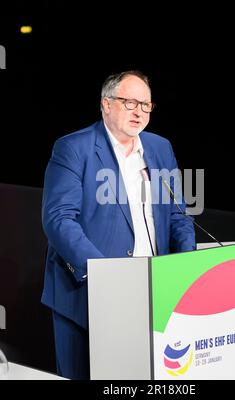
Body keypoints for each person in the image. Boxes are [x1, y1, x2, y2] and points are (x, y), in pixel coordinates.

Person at [41, 70, 196, 380]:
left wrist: (187, 268)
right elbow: (59, 219)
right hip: (85, 296)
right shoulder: (74, 148)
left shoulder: (160, 148)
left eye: (146, 104)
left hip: (152, 295)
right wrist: (107, 278)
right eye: (129, 102)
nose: (138, 111)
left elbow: (179, 215)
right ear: (106, 104)